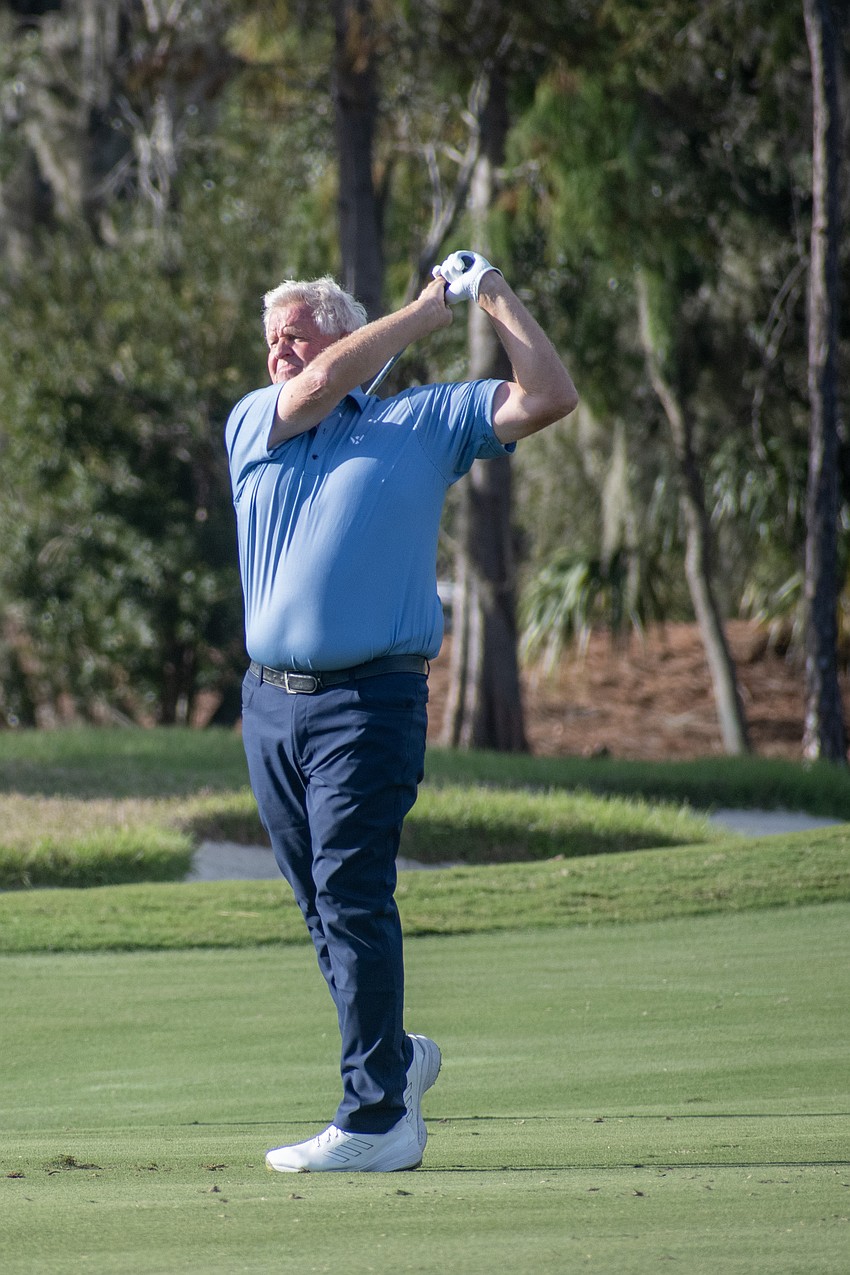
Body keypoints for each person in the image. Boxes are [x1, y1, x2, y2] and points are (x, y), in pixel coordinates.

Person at [225, 251, 578, 1173]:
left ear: (349, 334)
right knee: (321, 907)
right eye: (272, 340)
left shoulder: (421, 421)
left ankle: (378, 1116)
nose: (280, 353)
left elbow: (549, 395)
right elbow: (316, 389)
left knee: (350, 892)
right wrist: (426, 311)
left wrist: (491, 293)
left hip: (368, 702)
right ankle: (394, 1058)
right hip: (270, 706)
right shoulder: (255, 420)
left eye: (297, 333)